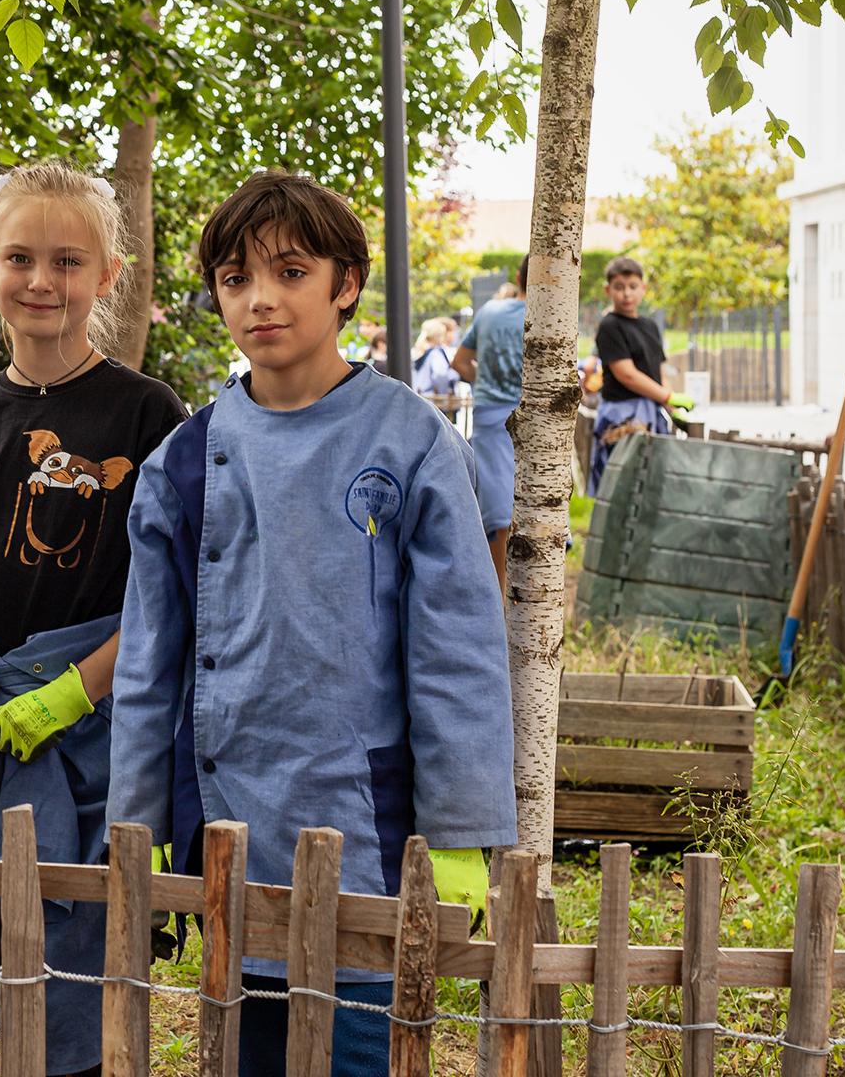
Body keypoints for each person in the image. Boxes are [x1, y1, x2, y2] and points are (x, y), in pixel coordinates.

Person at [109, 171, 515, 1077]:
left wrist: (460, 833)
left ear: (345, 285)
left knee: (357, 1052)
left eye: (291, 272)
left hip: (362, 810)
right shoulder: (182, 462)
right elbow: (147, 664)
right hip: (228, 811)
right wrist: (133, 827)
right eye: (235, 278)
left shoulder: (412, 443)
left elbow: (458, 653)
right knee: (250, 1050)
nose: (261, 300)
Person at [0, 163, 186, 1075]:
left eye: (68, 261)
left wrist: (75, 691)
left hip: (95, 738)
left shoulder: (148, 415)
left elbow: (164, 595)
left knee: (86, 957)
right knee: (3, 952)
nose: (41, 280)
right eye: (20, 257)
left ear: (109, 275)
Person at [588, 256, 691, 497]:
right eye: (619, 287)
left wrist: (673, 408)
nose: (626, 294)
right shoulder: (610, 326)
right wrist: (668, 395)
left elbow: (657, 373)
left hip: (651, 413)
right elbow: (627, 375)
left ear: (643, 288)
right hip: (621, 417)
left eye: (633, 287)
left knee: (650, 486)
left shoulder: (650, 326)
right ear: (608, 290)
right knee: (623, 487)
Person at [452, 258, 526, 591]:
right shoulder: (558, 320)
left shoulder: (491, 312)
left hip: (491, 418)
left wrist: (487, 384)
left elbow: (460, 362)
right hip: (535, 422)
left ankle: (498, 598)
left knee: (498, 516)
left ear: (519, 276)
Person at [411, 316, 461, 398]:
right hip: (433, 400)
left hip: (418, 396)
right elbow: (440, 375)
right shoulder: (435, 353)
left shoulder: (416, 350)